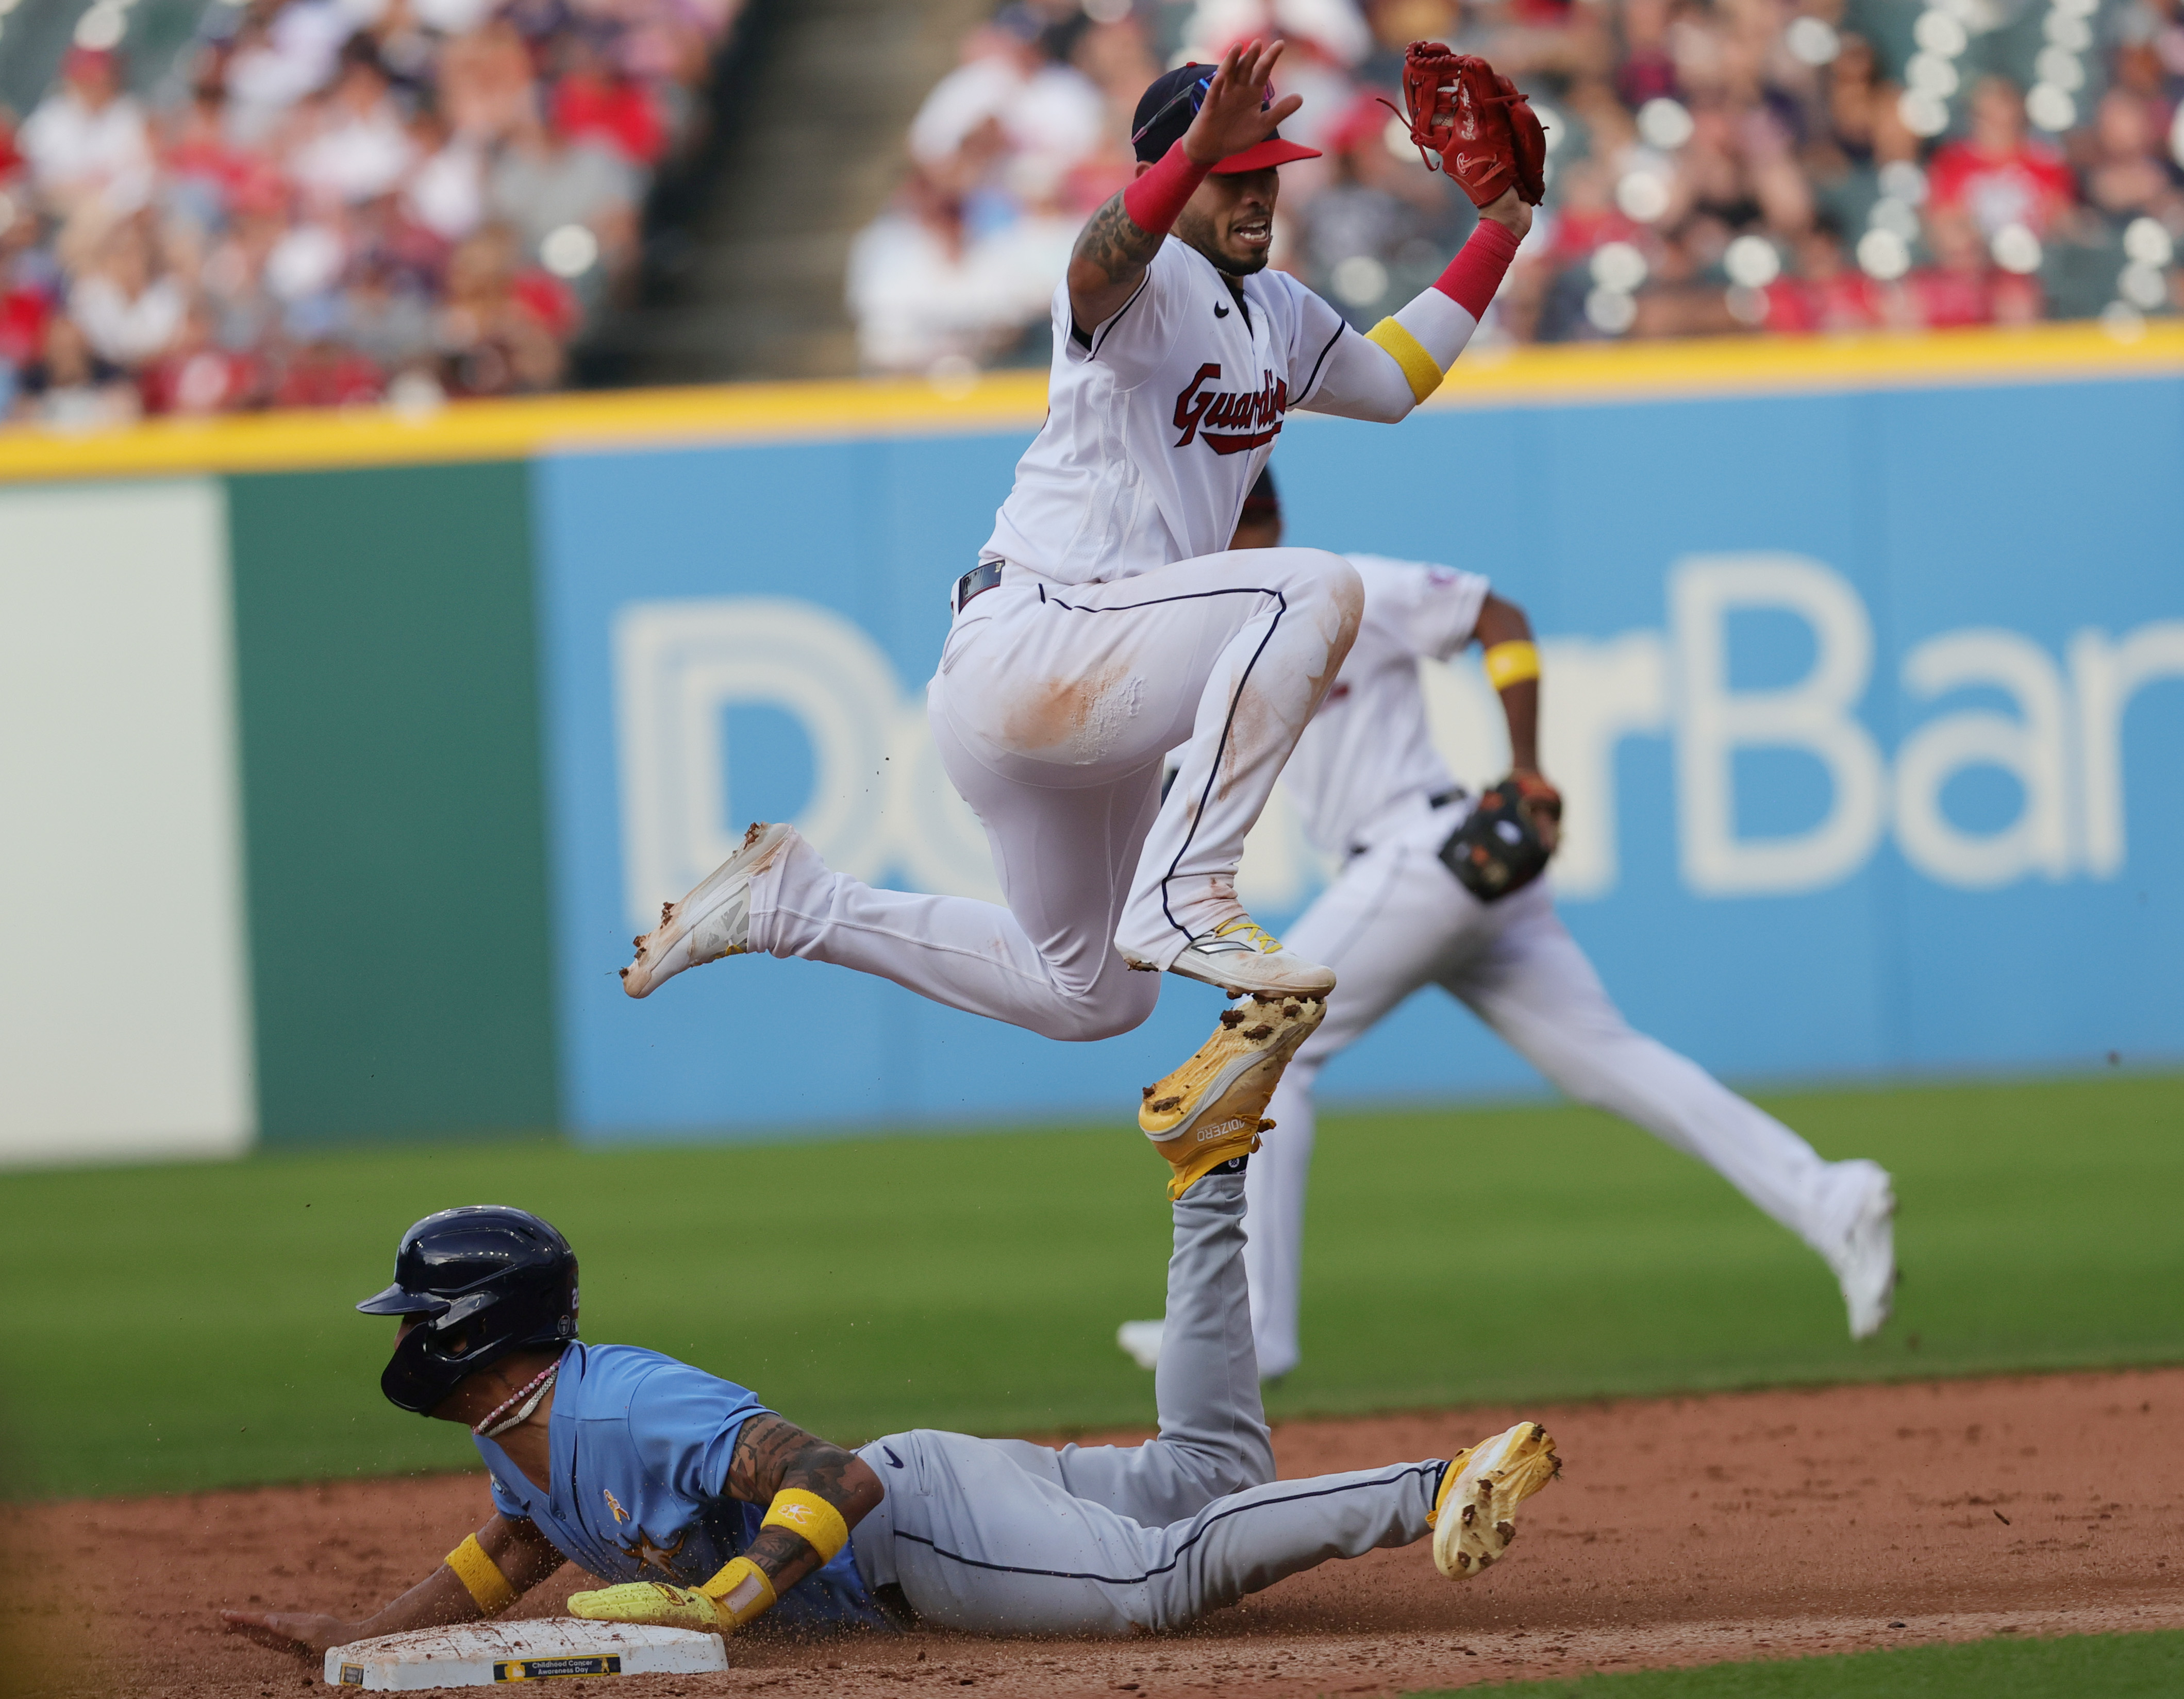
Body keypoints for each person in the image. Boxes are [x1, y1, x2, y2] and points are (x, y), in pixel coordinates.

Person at [621, 41, 1538, 1187]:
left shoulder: (1281, 311)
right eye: (1230, 171)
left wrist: (1499, 223)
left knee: (1095, 993)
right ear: (1173, 169)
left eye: (1268, 169)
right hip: (1041, 640)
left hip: (1097, 694)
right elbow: (1096, 267)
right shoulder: (1136, 289)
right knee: (1315, 585)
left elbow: (1397, 380)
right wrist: (1184, 157)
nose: (1257, 189)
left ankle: (791, 902)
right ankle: (1192, 884)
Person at [1118, 470, 1898, 1383]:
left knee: (1268, 1037)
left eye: (1218, 521)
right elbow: (1179, 783)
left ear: (1256, 519)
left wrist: (1524, 766)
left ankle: (1252, 1329)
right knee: (1606, 1058)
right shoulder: (1227, 636)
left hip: (1424, 851)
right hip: (1441, 877)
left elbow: (1499, 614)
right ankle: (1829, 1196)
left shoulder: (1346, 585)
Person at [221, 1199, 1562, 1655]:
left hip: (917, 1535)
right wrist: (356, 1646)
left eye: (413, 1316)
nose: (398, 1338)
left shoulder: (623, 1401)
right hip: (946, 1492)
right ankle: (1207, 1169)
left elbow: (831, 1472)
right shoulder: (522, 1433)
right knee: (1199, 1474)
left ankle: (1435, 1481)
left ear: (477, 1327)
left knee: (1158, 1587)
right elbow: (512, 1555)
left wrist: (733, 1597)